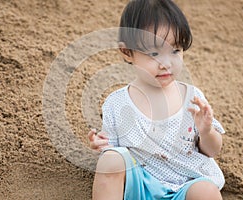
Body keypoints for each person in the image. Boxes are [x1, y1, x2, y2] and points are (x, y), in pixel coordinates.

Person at [88, 0, 225, 199]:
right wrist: (101, 144)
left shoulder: (192, 98)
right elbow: (114, 151)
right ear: (127, 53)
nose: (166, 64)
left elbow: (213, 151)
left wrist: (206, 131)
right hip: (141, 185)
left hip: (185, 187)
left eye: (175, 51)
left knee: (207, 191)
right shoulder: (116, 103)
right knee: (110, 161)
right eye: (153, 53)